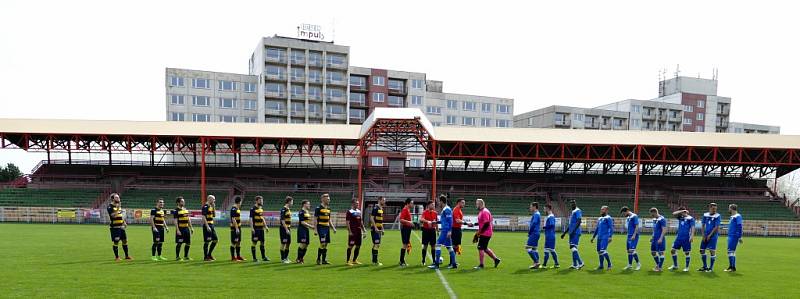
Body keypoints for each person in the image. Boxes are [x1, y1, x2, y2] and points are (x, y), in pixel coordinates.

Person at [430, 195, 456, 269]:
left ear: (441, 201)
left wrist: (449, 231)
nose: (438, 203)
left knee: (437, 245)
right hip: (446, 230)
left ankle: (437, 264)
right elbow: (444, 221)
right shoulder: (445, 209)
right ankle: (454, 264)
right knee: (449, 247)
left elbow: (450, 221)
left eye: (439, 201)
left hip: (445, 231)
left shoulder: (447, 209)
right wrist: (437, 222)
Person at [474, 198, 501, 269]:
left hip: (486, 233)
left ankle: (481, 265)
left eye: (477, 204)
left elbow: (486, 224)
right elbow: (482, 222)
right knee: (484, 248)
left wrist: (480, 232)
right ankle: (496, 259)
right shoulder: (482, 211)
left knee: (480, 248)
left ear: (480, 204)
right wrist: (474, 224)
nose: (476, 205)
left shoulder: (484, 212)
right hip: (485, 232)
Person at [314, 193, 337, 265]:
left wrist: (333, 228)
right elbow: (315, 219)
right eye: (328, 199)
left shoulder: (329, 209)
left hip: (327, 228)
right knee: (322, 243)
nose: (329, 200)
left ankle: (324, 260)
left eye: (329, 199)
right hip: (321, 227)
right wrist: (315, 229)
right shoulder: (318, 208)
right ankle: (318, 259)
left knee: (326, 244)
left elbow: (329, 219)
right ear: (323, 199)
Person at [107, 193, 132, 261]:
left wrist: (124, 222)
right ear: (112, 199)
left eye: (118, 197)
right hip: (115, 228)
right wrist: (118, 209)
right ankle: (117, 257)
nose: (118, 198)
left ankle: (127, 256)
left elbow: (120, 216)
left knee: (125, 240)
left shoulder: (118, 206)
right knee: (116, 241)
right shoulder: (110, 206)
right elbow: (113, 216)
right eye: (116, 197)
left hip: (121, 227)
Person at [561, 200, 584, 269]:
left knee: (573, 247)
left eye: (573, 203)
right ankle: (574, 264)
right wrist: (564, 233)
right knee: (573, 248)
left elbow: (579, 221)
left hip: (575, 232)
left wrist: (574, 231)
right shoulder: (572, 212)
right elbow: (571, 224)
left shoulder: (577, 211)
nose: (572, 205)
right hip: (571, 232)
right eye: (571, 204)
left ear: (575, 204)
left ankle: (580, 262)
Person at [699, 203, 721, 272]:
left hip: (713, 236)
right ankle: (705, 266)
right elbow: (702, 225)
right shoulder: (705, 215)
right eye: (713, 208)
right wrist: (703, 235)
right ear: (710, 208)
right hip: (705, 235)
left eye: (715, 209)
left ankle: (710, 268)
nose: (714, 210)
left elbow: (716, 227)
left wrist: (710, 235)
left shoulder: (718, 216)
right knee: (702, 250)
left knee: (712, 251)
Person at [591, 206, 614, 270]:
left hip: (605, 237)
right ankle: (601, 265)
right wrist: (593, 237)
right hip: (599, 237)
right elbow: (597, 228)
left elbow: (611, 228)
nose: (601, 211)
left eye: (603, 209)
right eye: (601, 209)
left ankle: (610, 264)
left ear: (606, 210)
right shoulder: (600, 218)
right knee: (599, 252)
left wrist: (610, 236)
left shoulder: (608, 218)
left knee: (602, 251)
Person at [345, 199, 366, 265]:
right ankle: (348, 261)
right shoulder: (349, 212)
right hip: (353, 231)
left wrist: (364, 229)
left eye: (358, 203)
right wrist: (349, 231)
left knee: (358, 246)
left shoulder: (359, 211)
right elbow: (347, 222)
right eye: (356, 203)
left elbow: (361, 221)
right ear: (352, 204)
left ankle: (354, 260)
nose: (357, 204)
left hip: (359, 231)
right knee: (350, 246)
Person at [620, 206, 641, 270]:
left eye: (624, 213)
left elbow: (637, 226)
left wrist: (634, 235)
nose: (624, 215)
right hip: (629, 235)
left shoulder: (634, 216)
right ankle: (630, 265)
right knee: (629, 251)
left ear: (627, 211)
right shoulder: (629, 217)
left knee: (632, 250)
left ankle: (638, 264)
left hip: (634, 236)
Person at [173, 196, 193, 261]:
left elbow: (188, 219)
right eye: (182, 201)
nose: (183, 202)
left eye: (183, 201)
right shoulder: (176, 211)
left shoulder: (185, 209)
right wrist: (177, 230)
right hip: (180, 228)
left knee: (188, 243)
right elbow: (175, 221)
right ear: (178, 203)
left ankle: (186, 256)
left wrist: (191, 227)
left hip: (186, 228)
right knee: (179, 243)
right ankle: (177, 257)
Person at [250, 195, 269, 262]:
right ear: (257, 201)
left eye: (262, 200)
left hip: (261, 229)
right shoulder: (253, 209)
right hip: (256, 229)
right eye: (260, 200)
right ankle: (254, 258)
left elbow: (262, 218)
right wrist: (252, 228)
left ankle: (263, 257)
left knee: (262, 242)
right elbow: (251, 219)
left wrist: (265, 226)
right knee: (254, 243)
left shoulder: (261, 208)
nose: (262, 202)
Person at [725, 204, 744, 272]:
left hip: (734, 236)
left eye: (729, 208)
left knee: (730, 251)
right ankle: (732, 267)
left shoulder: (737, 216)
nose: (728, 210)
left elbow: (740, 226)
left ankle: (732, 267)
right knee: (731, 252)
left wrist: (739, 237)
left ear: (732, 209)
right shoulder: (732, 216)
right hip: (731, 236)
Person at [420, 200, 438, 265]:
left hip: (433, 231)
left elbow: (436, 222)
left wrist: (437, 230)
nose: (433, 206)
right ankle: (423, 260)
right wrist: (427, 221)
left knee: (433, 246)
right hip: (426, 230)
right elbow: (421, 219)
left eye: (434, 205)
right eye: (432, 204)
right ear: (429, 205)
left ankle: (434, 261)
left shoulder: (435, 213)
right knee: (425, 245)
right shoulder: (425, 212)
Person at [649, 207, 667, 272]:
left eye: (651, 214)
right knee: (653, 252)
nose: (651, 215)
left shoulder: (662, 219)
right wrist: (652, 237)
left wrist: (661, 238)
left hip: (659, 238)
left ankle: (660, 267)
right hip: (654, 238)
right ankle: (658, 265)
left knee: (661, 253)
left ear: (654, 212)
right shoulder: (655, 219)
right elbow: (655, 229)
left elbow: (664, 229)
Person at [201, 195, 218, 261]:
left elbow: (214, 215)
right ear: (209, 199)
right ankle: (205, 257)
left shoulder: (211, 206)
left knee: (215, 240)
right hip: (207, 225)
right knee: (207, 241)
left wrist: (214, 207)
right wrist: (207, 226)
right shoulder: (205, 206)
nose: (214, 201)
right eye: (213, 199)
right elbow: (203, 217)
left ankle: (209, 254)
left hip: (211, 225)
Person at [370, 197, 386, 265]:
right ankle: (375, 261)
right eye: (383, 200)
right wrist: (376, 228)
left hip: (379, 229)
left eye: (384, 201)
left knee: (376, 244)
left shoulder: (381, 209)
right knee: (377, 244)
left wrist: (382, 229)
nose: (384, 202)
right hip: (375, 229)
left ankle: (374, 261)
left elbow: (380, 220)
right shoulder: (375, 208)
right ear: (379, 200)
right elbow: (371, 218)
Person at [526, 201, 542, 269]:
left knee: (527, 247)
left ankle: (536, 262)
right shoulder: (538, 214)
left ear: (534, 207)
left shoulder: (536, 214)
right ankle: (537, 263)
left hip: (534, 233)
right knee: (534, 248)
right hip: (537, 233)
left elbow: (534, 223)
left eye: (531, 206)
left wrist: (530, 232)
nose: (530, 208)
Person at [542, 204, 559, 268]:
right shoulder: (550, 216)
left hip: (549, 235)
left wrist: (545, 227)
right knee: (552, 250)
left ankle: (544, 265)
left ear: (547, 208)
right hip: (551, 235)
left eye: (544, 208)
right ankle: (557, 264)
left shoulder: (551, 216)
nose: (544, 210)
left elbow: (551, 224)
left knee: (546, 249)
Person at [398, 198, 414, 267]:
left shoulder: (407, 209)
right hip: (405, 228)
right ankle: (402, 261)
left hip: (407, 228)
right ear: (408, 203)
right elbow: (401, 219)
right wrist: (409, 222)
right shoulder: (405, 209)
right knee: (405, 244)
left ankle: (402, 260)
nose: (412, 204)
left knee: (406, 244)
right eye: (411, 203)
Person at [279, 196, 293, 264]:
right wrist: (286, 229)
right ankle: (283, 259)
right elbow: (282, 220)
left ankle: (286, 257)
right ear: (289, 201)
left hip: (288, 228)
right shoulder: (283, 209)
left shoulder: (288, 209)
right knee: (283, 243)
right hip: (284, 229)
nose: (292, 203)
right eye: (292, 202)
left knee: (288, 243)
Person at [229, 196, 244, 261]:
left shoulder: (237, 208)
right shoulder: (233, 208)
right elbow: (233, 219)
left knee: (238, 242)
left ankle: (238, 256)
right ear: (240, 201)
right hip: (235, 228)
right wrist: (237, 228)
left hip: (238, 227)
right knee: (234, 242)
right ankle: (233, 257)